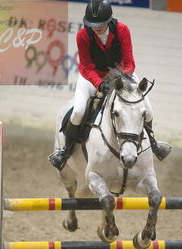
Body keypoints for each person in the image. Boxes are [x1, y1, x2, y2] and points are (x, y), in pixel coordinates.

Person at [49, 0, 171, 170]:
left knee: (148, 110)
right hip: (91, 76)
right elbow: (86, 67)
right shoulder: (83, 36)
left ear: (109, 21)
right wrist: (100, 84)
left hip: (122, 74)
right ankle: (65, 151)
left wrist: (119, 78)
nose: (96, 27)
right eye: (92, 24)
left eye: (100, 24)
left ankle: (154, 144)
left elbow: (129, 62)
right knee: (77, 112)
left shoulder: (122, 30)